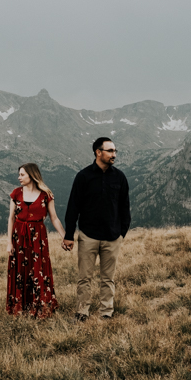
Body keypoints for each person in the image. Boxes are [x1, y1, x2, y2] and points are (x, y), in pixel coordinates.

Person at [62, 137, 130, 321]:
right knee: (85, 278)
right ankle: (82, 312)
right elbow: (73, 207)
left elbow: (125, 207)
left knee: (108, 279)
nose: (113, 154)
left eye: (115, 151)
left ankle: (106, 312)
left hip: (112, 237)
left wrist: (121, 233)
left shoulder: (120, 177)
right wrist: (69, 235)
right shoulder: (83, 176)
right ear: (98, 152)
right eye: (110, 151)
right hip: (88, 236)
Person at [6, 163, 66, 318]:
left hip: (38, 238)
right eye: (19, 174)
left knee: (38, 269)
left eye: (22, 174)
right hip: (18, 237)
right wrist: (9, 242)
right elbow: (11, 218)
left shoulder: (46, 194)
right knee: (20, 271)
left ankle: (40, 305)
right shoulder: (16, 194)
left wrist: (65, 237)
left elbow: (54, 218)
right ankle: (20, 306)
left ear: (32, 175)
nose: (19, 177)